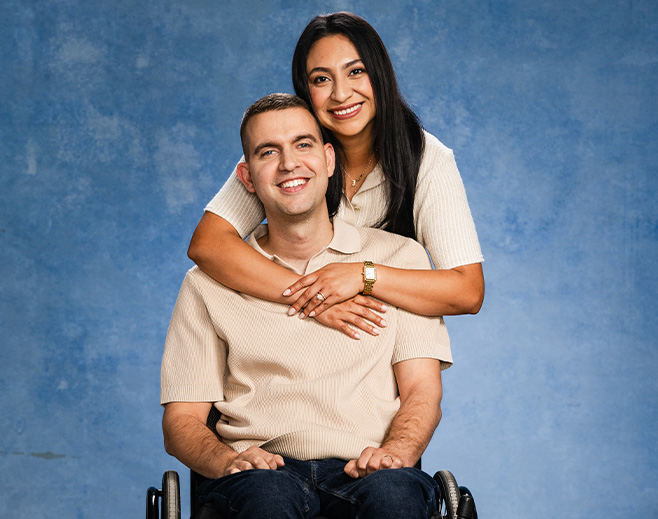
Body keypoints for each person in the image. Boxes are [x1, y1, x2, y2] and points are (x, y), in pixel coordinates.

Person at [161, 93, 452, 518]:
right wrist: (227, 461)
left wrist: (396, 450)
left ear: (329, 160)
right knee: (267, 501)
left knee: (396, 498)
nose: (288, 163)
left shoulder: (398, 260)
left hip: (368, 467)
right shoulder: (207, 284)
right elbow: (182, 422)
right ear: (246, 177)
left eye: (303, 144)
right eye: (268, 152)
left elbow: (423, 391)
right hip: (260, 471)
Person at [187, 12, 484, 340]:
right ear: (305, 89)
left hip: (378, 347)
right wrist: (314, 297)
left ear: (380, 74)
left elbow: (467, 290)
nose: (341, 94)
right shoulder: (284, 156)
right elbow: (208, 244)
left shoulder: (427, 159)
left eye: (356, 71)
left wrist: (363, 275)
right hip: (289, 336)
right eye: (321, 79)